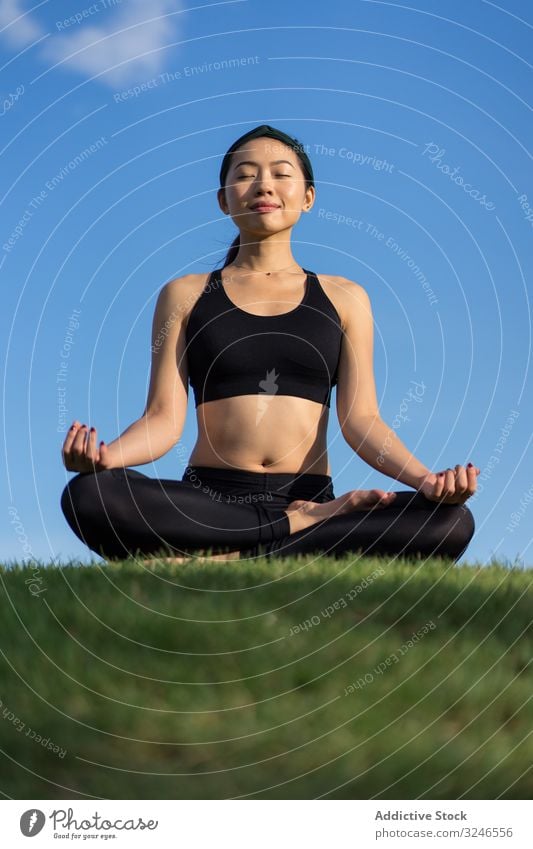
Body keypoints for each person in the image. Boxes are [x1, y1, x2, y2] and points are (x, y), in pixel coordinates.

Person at [60, 124, 478, 564]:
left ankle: (222, 554)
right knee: (90, 495)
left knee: (450, 522)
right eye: (245, 174)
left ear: (308, 197)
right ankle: (294, 530)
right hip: (212, 499)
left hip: (309, 492)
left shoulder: (345, 296)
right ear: (224, 199)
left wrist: (427, 481)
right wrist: (105, 459)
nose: (263, 186)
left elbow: (362, 420)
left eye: (281, 174)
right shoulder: (185, 294)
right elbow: (162, 418)